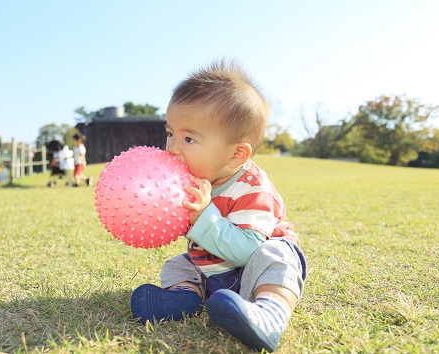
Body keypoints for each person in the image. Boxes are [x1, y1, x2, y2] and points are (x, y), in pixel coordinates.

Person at [130, 60, 307, 353]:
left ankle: (269, 313)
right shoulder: (192, 181)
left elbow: (245, 250)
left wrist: (201, 214)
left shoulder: (253, 188)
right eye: (170, 133)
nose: (172, 148)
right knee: (179, 263)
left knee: (277, 256)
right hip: (212, 272)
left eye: (188, 138)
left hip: (253, 271)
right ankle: (184, 296)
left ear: (236, 154)